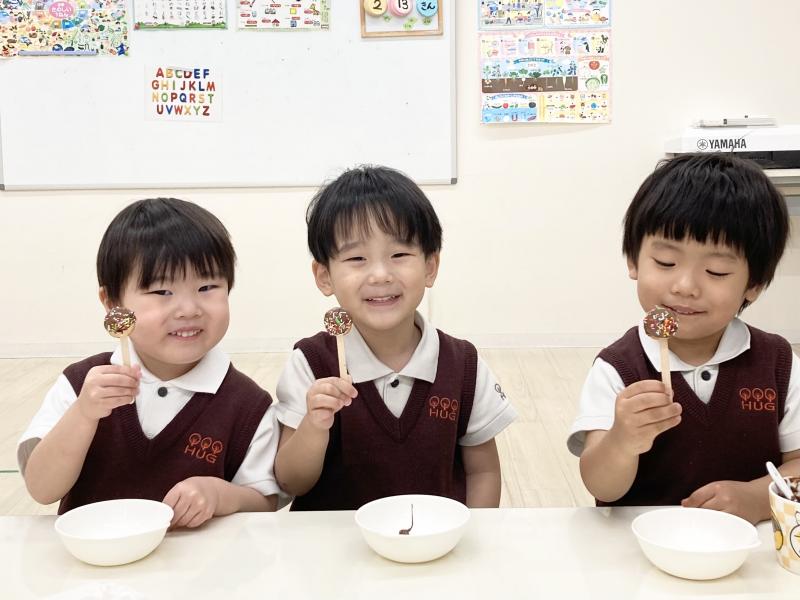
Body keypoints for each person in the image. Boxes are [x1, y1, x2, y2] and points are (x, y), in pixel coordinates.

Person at [18, 198, 280, 527]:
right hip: (94, 565)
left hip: (199, 568)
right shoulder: (80, 384)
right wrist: (84, 414)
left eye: (207, 287)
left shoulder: (248, 405)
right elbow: (42, 489)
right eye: (161, 291)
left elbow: (265, 501)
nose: (188, 309)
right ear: (112, 302)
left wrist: (218, 494)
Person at [568, 153, 800, 523]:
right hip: (640, 549)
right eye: (665, 263)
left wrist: (757, 497)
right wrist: (622, 441)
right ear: (633, 261)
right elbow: (601, 487)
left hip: (747, 548)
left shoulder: (778, 363)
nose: (685, 286)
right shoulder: (618, 367)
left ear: (753, 284)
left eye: (716, 270)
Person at [274, 165, 517, 510]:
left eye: (399, 255)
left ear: (430, 266)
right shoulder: (311, 363)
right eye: (357, 258)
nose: (380, 274)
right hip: (335, 557)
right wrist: (314, 425)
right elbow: (290, 481)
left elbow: (483, 473)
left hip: (434, 549)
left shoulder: (462, 365)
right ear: (324, 276)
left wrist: (473, 540)